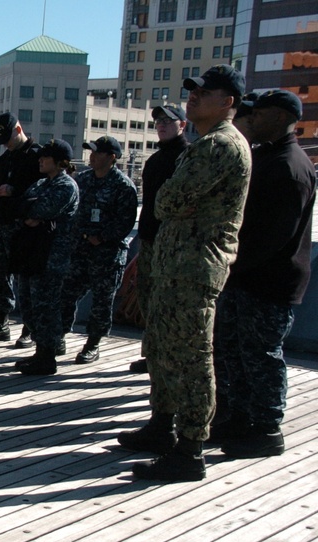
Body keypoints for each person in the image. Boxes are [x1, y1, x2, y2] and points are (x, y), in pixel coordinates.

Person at [121, 64, 252, 482]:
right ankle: (162, 426)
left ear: (228, 102)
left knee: (192, 359)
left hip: (194, 269)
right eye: (192, 90)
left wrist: (176, 202)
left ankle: (190, 448)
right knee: (161, 349)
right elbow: (170, 202)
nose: (193, 96)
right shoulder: (204, 144)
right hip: (174, 265)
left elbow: (167, 201)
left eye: (204, 92)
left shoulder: (219, 146)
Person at [212, 90, 315, 459]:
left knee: (262, 354)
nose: (253, 118)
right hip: (244, 277)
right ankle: (239, 418)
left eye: (263, 112)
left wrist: (232, 262)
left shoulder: (290, 166)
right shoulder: (266, 158)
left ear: (285, 117)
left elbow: (274, 236)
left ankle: (267, 429)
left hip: (269, 281)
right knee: (234, 350)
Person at [60, 136, 138, 364]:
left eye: (97, 152)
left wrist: (102, 237)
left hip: (107, 254)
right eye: (90, 152)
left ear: (112, 158)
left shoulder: (123, 186)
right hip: (79, 250)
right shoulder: (83, 180)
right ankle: (59, 336)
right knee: (67, 293)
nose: (92, 156)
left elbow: (125, 222)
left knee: (102, 300)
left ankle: (93, 343)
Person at [9, 139, 80, 376]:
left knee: (46, 306)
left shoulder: (66, 186)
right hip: (32, 252)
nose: (40, 160)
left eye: (46, 157)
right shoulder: (40, 183)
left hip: (52, 256)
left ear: (60, 162)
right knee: (28, 304)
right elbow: (19, 208)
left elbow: (39, 210)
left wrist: (32, 214)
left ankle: (47, 356)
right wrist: (28, 214)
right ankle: (39, 351)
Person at [128, 104, 189, 374]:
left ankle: (169, 358)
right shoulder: (154, 160)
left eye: (169, 120)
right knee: (147, 300)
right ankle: (151, 353)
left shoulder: (187, 157)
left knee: (169, 306)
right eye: (159, 121)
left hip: (174, 244)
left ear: (182, 125)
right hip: (150, 240)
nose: (162, 125)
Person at [0, 112, 43, 347]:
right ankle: (1, 322)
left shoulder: (37, 156)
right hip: (0, 223)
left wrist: (13, 190)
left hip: (23, 227)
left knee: (24, 279)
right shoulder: (4, 159)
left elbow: (42, 191)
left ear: (18, 129)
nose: (6, 143)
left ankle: (28, 327)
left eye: (8, 137)